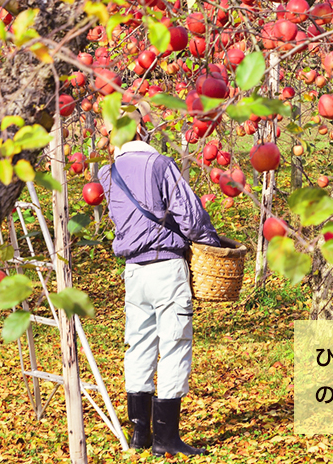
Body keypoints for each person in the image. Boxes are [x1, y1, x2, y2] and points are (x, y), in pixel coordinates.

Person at [97, 104, 220, 456]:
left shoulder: (108, 173)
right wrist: (210, 245)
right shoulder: (159, 164)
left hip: (134, 272)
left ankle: (140, 434)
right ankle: (167, 438)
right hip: (166, 268)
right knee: (175, 345)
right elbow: (190, 215)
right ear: (140, 131)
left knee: (138, 346)